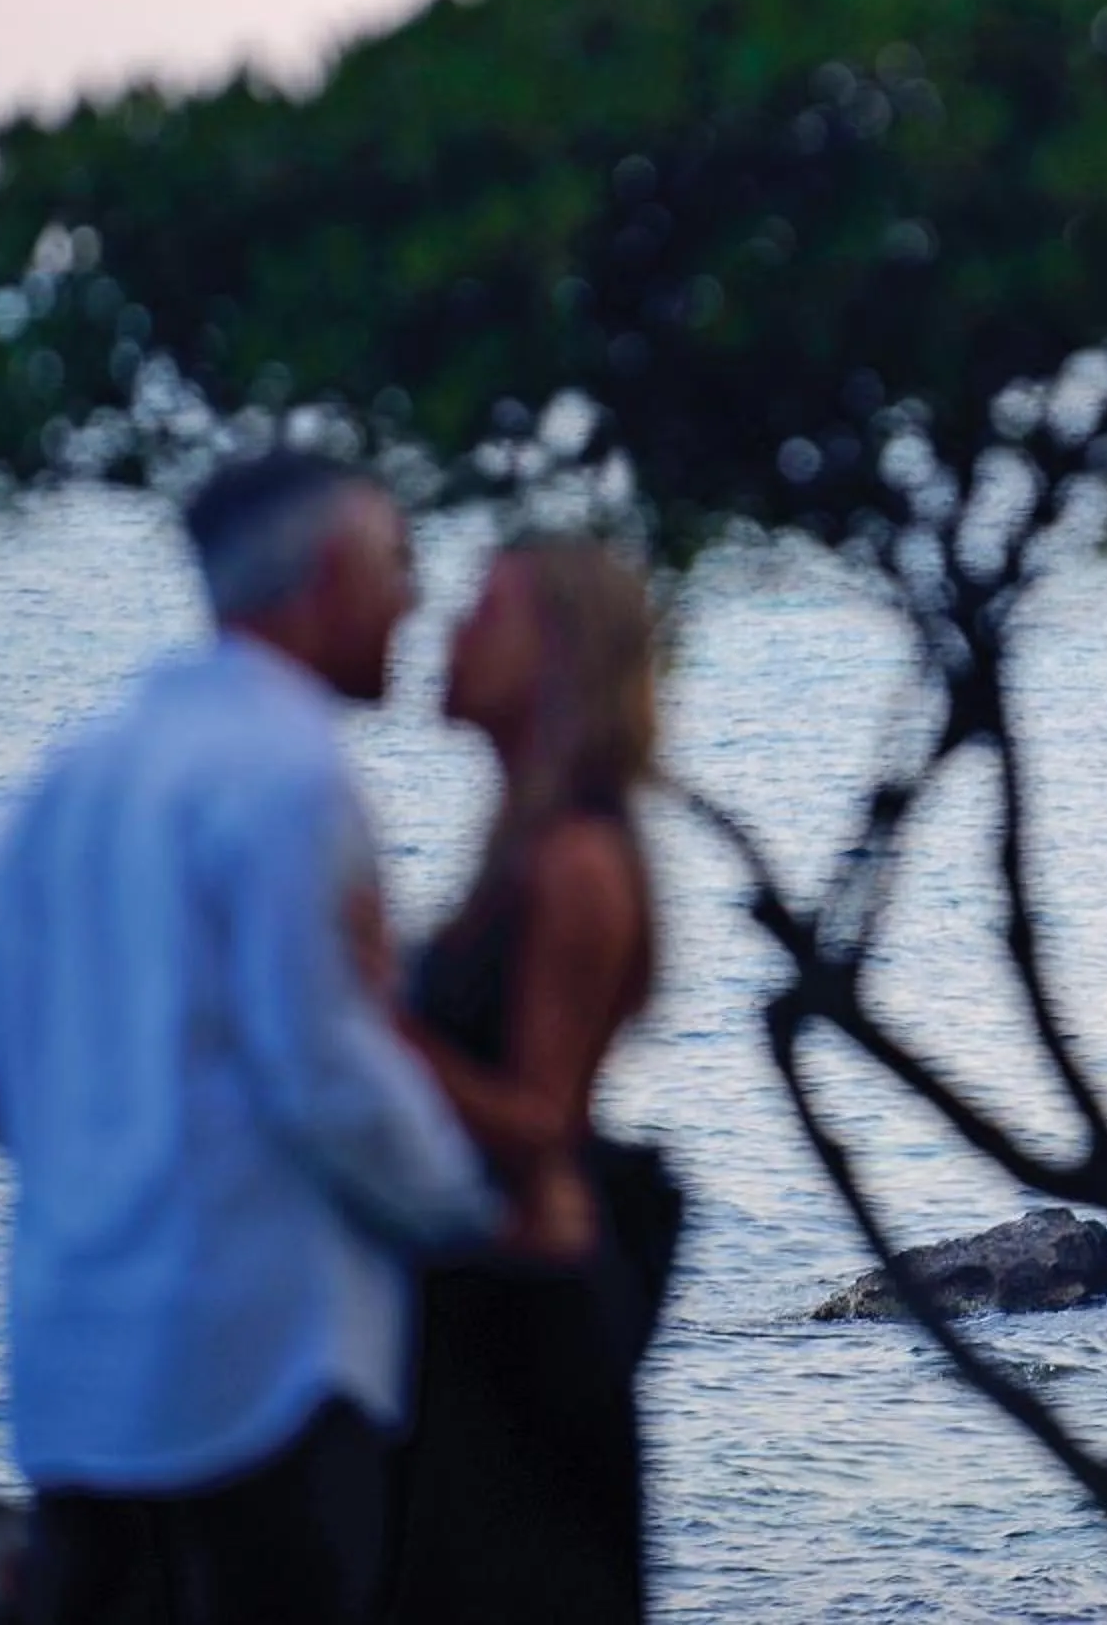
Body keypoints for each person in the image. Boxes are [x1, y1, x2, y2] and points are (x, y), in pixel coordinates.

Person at [0, 451, 501, 1625]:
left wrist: (118, 1148)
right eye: (399, 560)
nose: (414, 597)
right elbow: (324, 1072)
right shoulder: (293, 774)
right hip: (262, 1374)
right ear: (332, 573)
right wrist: (469, 1207)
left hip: (73, 1374)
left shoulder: (77, 770)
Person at [379, 535, 681, 1625]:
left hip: (530, 1322)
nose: (448, 632)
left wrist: (376, 1024)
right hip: (486, 1296)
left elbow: (542, 1121)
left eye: (484, 612)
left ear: (557, 657)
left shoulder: (575, 861)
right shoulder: (521, 843)